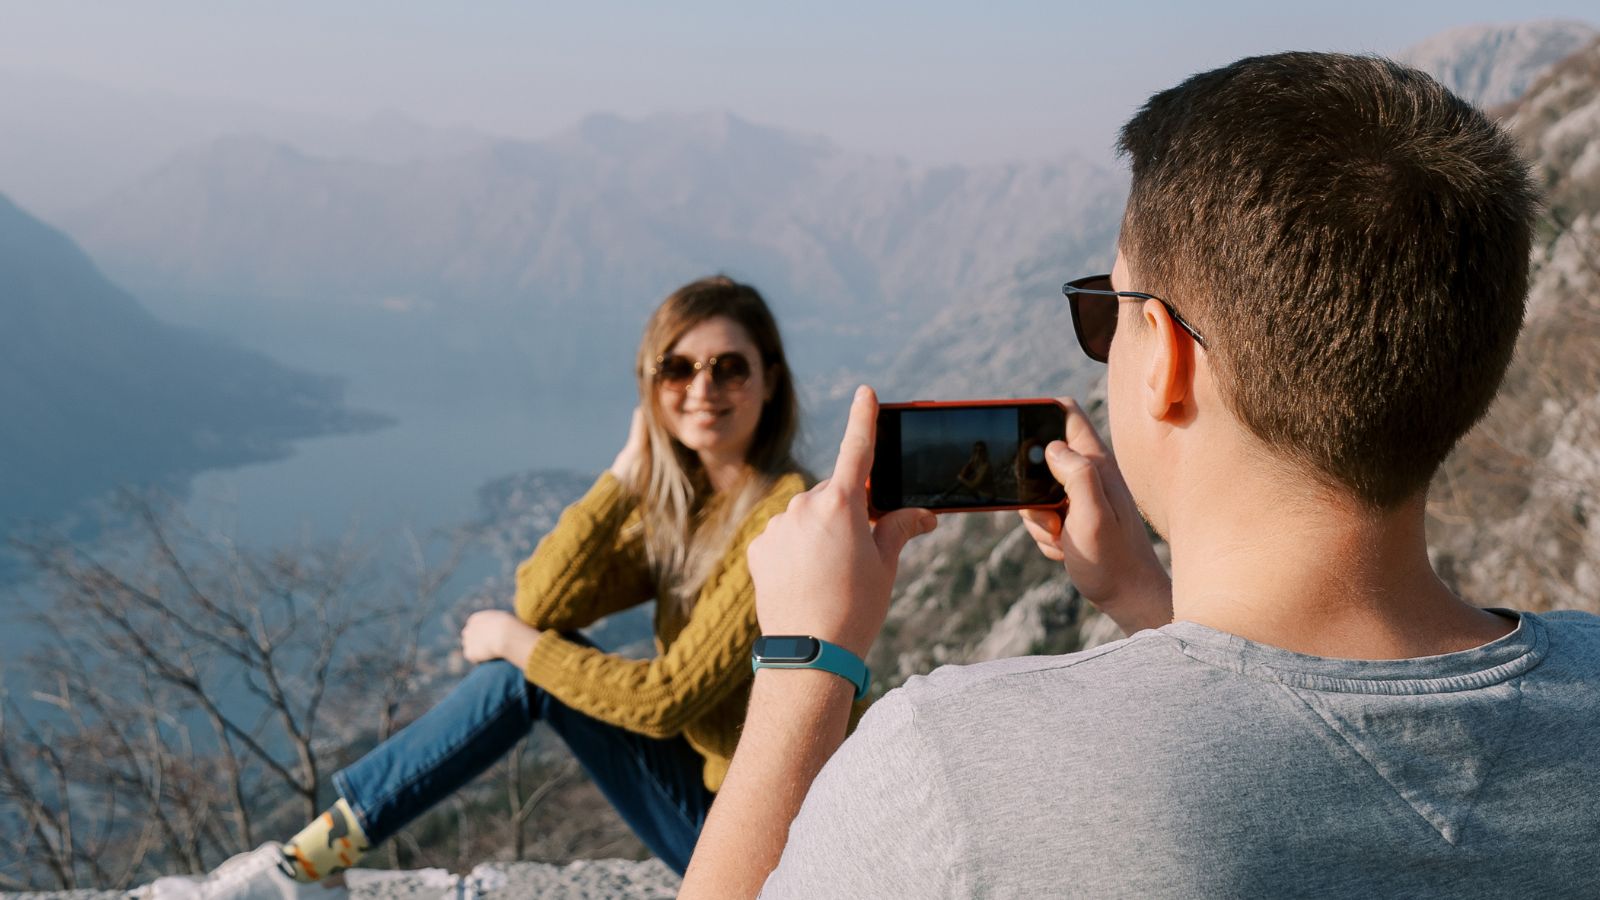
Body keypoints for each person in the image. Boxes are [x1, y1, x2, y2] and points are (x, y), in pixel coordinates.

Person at [679, 53, 1600, 898]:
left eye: (1107, 311)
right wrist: (1149, 599)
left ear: (1164, 358)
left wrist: (808, 657)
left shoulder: (960, 768)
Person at [264, 275, 810, 883]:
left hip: (763, 845)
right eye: (677, 369)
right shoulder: (696, 506)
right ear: (651, 388)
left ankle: (303, 867)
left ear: (771, 379)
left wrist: (511, 642)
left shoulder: (784, 517)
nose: (702, 388)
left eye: (729, 367)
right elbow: (544, 599)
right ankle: (309, 861)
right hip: (727, 805)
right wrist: (624, 477)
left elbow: (663, 701)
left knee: (524, 671)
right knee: (525, 664)